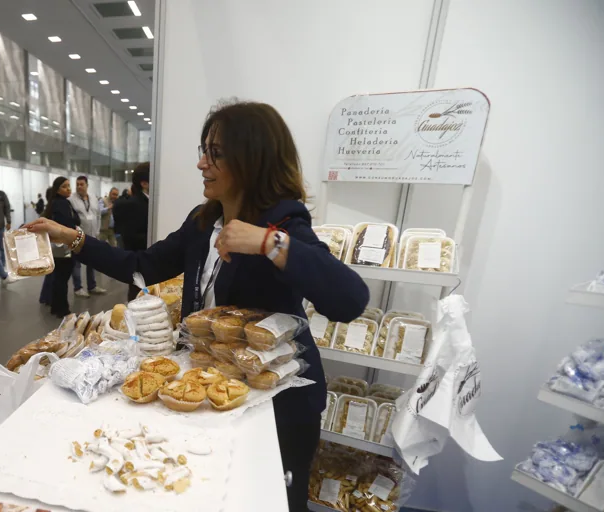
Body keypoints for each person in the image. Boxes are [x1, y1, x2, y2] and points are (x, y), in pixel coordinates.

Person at [27, 101, 369, 511]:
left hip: (274, 401)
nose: (201, 163)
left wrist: (267, 242)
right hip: (215, 388)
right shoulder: (203, 220)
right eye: (203, 150)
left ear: (253, 158)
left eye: (216, 153)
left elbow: (350, 300)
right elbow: (143, 265)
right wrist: (72, 237)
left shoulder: (283, 221)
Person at [39, 177, 79, 317]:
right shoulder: (61, 204)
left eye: (69, 186)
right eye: (64, 186)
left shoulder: (58, 203)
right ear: (57, 189)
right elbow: (70, 222)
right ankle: (62, 309)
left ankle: (56, 306)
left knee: (58, 277)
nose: (68, 189)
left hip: (58, 245)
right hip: (64, 245)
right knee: (62, 278)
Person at [115, 162, 152, 299]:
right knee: (138, 297)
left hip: (149, 262)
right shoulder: (133, 205)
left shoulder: (152, 203)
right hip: (139, 263)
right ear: (144, 184)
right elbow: (130, 237)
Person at [68, 176, 107, 297]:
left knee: (92, 261)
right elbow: (71, 219)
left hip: (92, 235)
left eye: (81, 184)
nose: (79, 186)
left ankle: (92, 286)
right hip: (78, 236)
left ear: (87, 185)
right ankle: (78, 288)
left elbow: (98, 215)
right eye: (77, 184)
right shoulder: (71, 200)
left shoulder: (93, 198)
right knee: (77, 263)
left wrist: (97, 231)